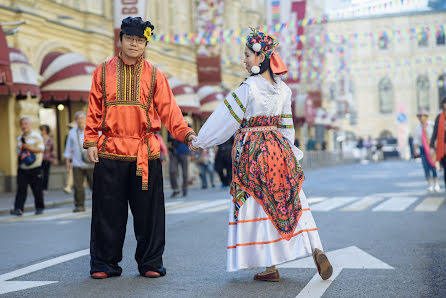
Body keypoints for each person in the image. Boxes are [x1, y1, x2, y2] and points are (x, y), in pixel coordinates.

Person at [191, 27, 332, 282]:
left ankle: (270, 266)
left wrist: (200, 140)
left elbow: (225, 120)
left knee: (259, 205)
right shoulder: (284, 89)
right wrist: (291, 155)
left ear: (260, 57)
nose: (244, 60)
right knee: (292, 200)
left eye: (247, 55)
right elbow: (287, 126)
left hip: (253, 151)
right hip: (279, 149)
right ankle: (315, 246)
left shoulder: (249, 88)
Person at [83, 17, 196, 279]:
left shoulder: (155, 74)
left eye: (140, 40)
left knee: (149, 214)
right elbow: (93, 110)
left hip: (145, 153)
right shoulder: (101, 71)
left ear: (145, 44)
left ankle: (150, 263)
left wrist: (186, 134)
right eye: (130, 39)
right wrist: (90, 140)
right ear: (120, 40)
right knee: (107, 212)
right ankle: (104, 263)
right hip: (109, 150)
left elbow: (170, 111)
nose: (134, 44)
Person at [10, 117, 45, 216]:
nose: (24, 126)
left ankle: (39, 207)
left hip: (35, 166)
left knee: (37, 189)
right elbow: (18, 152)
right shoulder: (19, 138)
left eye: (26, 124)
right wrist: (21, 150)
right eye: (22, 124)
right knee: (21, 189)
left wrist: (27, 147)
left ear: (30, 125)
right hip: (23, 167)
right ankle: (18, 209)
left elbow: (41, 149)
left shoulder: (36, 136)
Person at [63, 111, 93, 212]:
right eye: (78, 118)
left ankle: (100, 204)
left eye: (82, 118)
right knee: (78, 186)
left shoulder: (92, 130)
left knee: (95, 185)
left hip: (91, 163)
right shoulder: (72, 133)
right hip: (77, 163)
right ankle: (79, 205)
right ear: (75, 120)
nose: (80, 120)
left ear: (86, 119)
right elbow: (68, 148)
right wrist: (67, 160)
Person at [414, 109, 439, 192]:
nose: (421, 118)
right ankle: (430, 184)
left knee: (433, 166)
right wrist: (415, 150)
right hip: (423, 149)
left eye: (423, 116)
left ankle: (436, 183)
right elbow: (416, 141)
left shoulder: (432, 125)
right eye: (420, 116)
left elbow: (436, 136)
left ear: (426, 117)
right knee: (425, 167)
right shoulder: (417, 128)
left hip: (432, 148)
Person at [168, 132, 191, 197]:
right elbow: (168, 139)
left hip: (184, 152)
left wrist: (190, 153)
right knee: (172, 171)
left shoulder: (187, 125)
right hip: (173, 152)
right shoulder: (170, 126)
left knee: (184, 173)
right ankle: (175, 189)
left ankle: (185, 189)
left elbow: (190, 137)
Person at [430, 97, 446, 191]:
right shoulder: (439, 118)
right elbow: (435, 132)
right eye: (444, 103)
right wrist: (431, 145)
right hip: (443, 149)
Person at [40, 124, 57, 194]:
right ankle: (39, 188)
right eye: (41, 130)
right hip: (39, 160)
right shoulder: (39, 138)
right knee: (39, 174)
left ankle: (44, 189)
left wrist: (55, 158)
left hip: (47, 159)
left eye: (43, 130)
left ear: (46, 130)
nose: (42, 131)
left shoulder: (50, 140)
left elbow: (53, 150)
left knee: (46, 174)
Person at [63, 121, 77, 194]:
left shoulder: (81, 135)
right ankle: (68, 186)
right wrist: (67, 160)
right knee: (71, 172)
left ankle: (81, 187)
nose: (70, 129)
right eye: (69, 128)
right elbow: (66, 148)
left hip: (80, 158)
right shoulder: (67, 136)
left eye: (71, 128)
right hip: (72, 157)